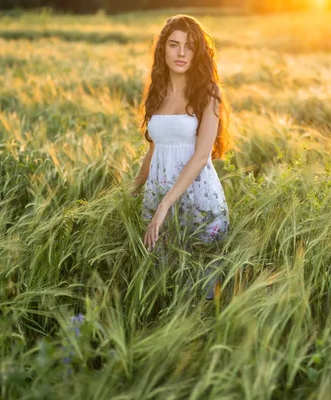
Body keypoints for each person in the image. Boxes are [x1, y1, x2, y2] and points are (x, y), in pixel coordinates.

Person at [131, 14, 231, 299]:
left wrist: (164, 207)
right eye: (174, 45)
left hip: (198, 200)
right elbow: (155, 149)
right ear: (163, 49)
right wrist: (131, 192)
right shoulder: (157, 91)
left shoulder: (208, 92)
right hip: (157, 197)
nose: (181, 53)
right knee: (163, 287)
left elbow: (201, 157)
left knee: (202, 291)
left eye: (189, 46)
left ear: (198, 51)